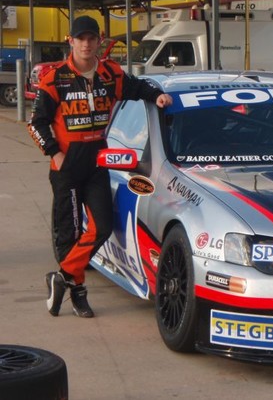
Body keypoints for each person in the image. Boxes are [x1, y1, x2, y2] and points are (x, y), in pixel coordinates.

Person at [28, 16, 173, 318]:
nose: (86, 44)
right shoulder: (54, 78)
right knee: (67, 234)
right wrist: (55, 154)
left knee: (102, 227)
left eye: (91, 38)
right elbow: (37, 122)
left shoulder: (110, 73)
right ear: (70, 40)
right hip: (66, 167)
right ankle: (78, 292)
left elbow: (135, 87)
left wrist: (156, 95)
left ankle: (62, 277)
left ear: (99, 41)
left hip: (97, 163)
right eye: (80, 38)